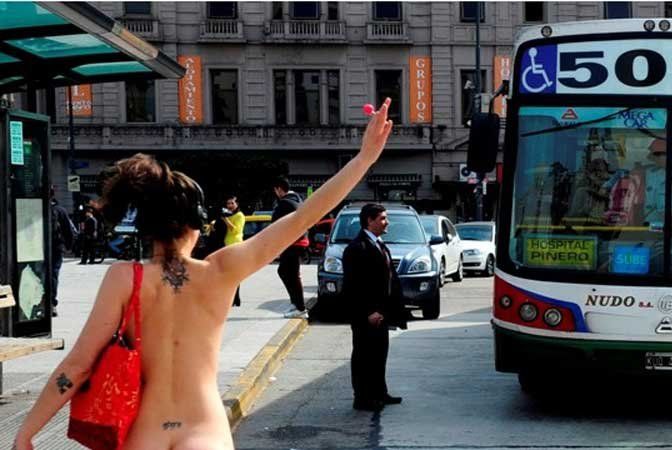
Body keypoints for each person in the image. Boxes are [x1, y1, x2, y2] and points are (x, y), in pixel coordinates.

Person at [14, 97, 394, 450]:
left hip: (145, 431)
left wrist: (26, 434)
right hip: (205, 429)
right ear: (196, 225)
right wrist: (364, 159)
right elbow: (303, 216)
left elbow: (77, 366)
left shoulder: (124, 278)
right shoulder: (222, 270)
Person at [342, 203, 407, 412]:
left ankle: (379, 392)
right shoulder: (357, 248)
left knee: (379, 354)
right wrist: (369, 312)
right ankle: (362, 398)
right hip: (366, 315)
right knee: (363, 356)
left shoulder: (380, 244)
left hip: (382, 313)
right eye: (382, 218)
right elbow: (354, 286)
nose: (386, 222)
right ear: (370, 221)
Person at [271, 177, 310, 318]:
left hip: (292, 243)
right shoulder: (298, 200)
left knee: (291, 274)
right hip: (300, 241)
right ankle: (296, 304)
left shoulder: (284, 204)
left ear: (279, 189)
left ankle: (300, 308)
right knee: (286, 272)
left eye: (275, 190)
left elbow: (274, 225)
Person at [50, 186, 76, 317]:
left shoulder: (37, 207)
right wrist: (69, 246)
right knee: (53, 275)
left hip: (37, 248)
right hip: (56, 248)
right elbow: (68, 230)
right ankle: (52, 304)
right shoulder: (60, 210)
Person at [222, 195, 245, 306]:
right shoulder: (229, 215)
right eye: (228, 203)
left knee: (234, 274)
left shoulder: (239, 216)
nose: (230, 205)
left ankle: (236, 298)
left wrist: (225, 219)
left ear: (237, 204)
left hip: (235, 246)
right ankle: (234, 298)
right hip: (227, 246)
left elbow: (235, 230)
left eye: (232, 203)